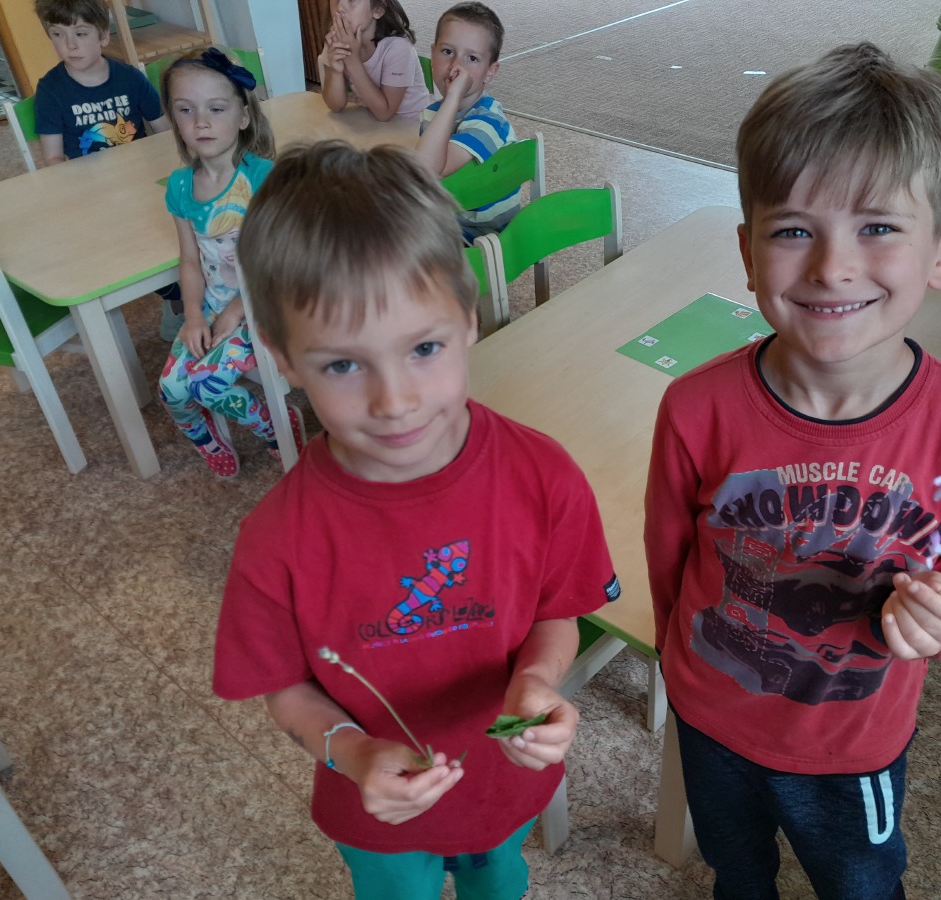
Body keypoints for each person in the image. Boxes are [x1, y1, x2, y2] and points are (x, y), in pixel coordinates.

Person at [644, 43, 941, 899]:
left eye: (878, 227)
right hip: (711, 718)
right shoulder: (695, 407)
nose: (832, 267)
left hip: (856, 746)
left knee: (861, 884)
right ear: (748, 252)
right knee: (735, 870)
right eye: (792, 230)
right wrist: (677, 666)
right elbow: (668, 559)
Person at [212, 141, 621, 899]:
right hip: (375, 811)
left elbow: (557, 614)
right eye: (342, 364)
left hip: (503, 783)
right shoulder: (276, 540)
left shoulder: (543, 477)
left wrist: (537, 681)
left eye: (424, 348)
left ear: (468, 319)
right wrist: (353, 753)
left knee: (500, 883)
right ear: (283, 357)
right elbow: (286, 691)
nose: (394, 402)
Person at [157, 47, 302, 479]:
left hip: (264, 305)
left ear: (243, 117)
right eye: (186, 109)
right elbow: (189, 260)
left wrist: (237, 310)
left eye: (216, 108)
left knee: (206, 384)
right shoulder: (180, 186)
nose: (200, 122)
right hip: (214, 304)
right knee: (171, 389)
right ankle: (206, 437)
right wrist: (193, 316)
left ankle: (276, 427)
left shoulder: (261, 177)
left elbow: (278, 259)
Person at [31, 0, 184, 341]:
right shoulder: (51, 90)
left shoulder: (129, 78)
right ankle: (176, 302)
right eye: (58, 34)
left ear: (102, 36)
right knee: (137, 242)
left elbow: (165, 134)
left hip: (143, 184)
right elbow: (52, 160)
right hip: (95, 197)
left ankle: (186, 293)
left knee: (176, 226)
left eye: (80, 33)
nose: (70, 45)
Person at [416, 2, 518, 240]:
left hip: (480, 237)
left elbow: (425, 170)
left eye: (471, 58)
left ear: (490, 72)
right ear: (432, 55)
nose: (456, 67)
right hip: (446, 218)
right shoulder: (433, 113)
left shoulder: (488, 121)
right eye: (447, 52)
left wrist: (452, 97)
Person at [319, 0, 431, 120]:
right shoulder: (337, 41)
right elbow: (335, 106)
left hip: (413, 123)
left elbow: (385, 113)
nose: (340, 7)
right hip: (374, 120)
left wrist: (352, 62)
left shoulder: (399, 46)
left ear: (378, 9)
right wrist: (335, 71)